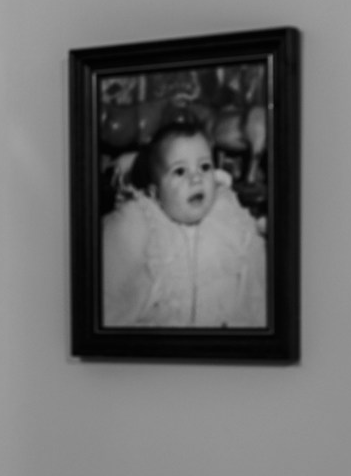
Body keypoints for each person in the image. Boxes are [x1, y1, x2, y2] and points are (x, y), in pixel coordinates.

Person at [100, 118, 266, 328]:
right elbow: (112, 296)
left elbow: (256, 290)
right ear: (155, 192)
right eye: (180, 171)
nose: (196, 178)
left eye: (204, 167)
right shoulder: (140, 225)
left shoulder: (231, 220)